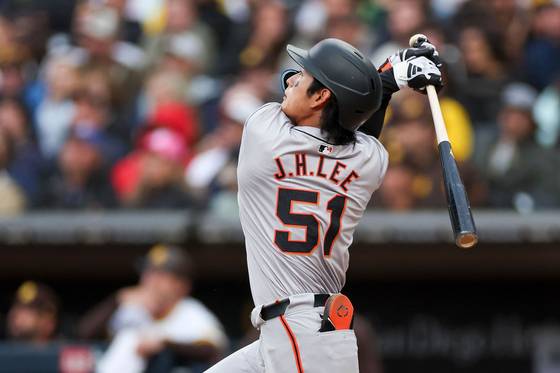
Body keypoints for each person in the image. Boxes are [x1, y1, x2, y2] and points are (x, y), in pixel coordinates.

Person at [205, 38, 442, 372]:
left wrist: (391, 73)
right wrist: (390, 79)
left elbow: (357, 120)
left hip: (300, 329)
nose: (290, 80)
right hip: (305, 331)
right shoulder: (370, 160)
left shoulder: (263, 132)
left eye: (302, 77)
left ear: (321, 96)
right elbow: (359, 128)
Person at [79, 244, 228, 372]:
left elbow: (214, 351)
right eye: (148, 273)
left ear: (182, 286)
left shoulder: (190, 312)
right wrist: (116, 300)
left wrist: (165, 344)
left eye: (160, 275)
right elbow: (85, 334)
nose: (150, 281)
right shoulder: (131, 309)